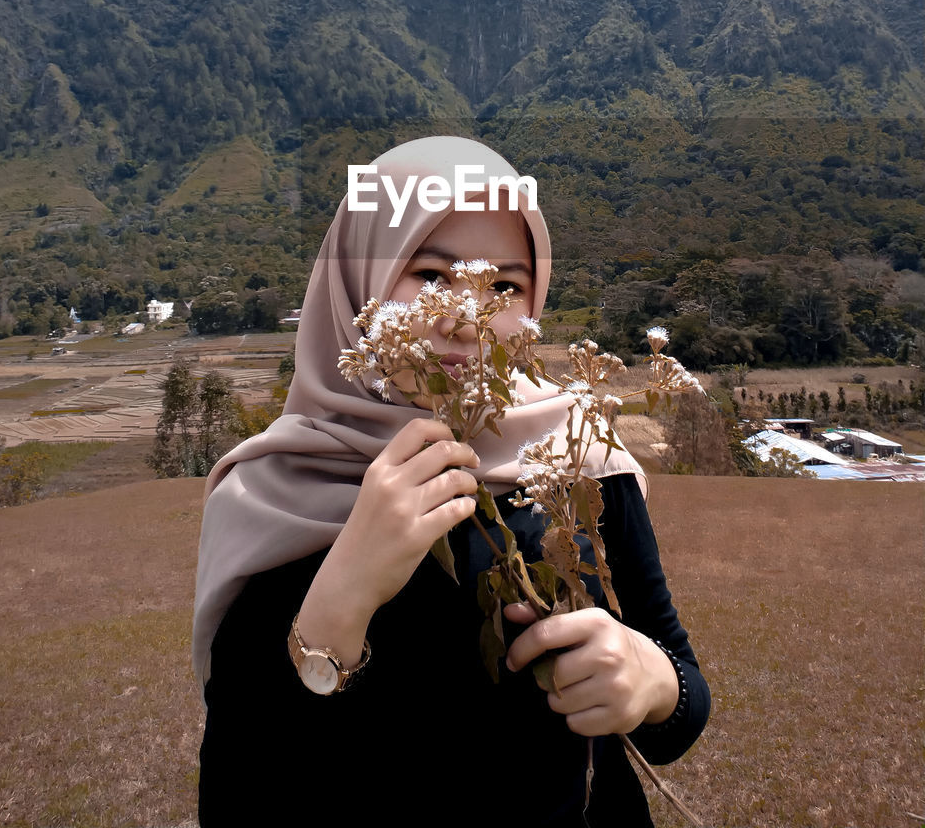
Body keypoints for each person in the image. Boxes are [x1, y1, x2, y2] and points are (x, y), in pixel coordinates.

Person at [194, 136, 709, 826]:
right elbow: (238, 800)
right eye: (431, 276)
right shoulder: (272, 491)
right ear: (359, 285)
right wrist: (341, 598)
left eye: (504, 286)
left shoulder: (577, 456)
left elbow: (676, 712)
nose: (467, 318)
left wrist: (654, 685)